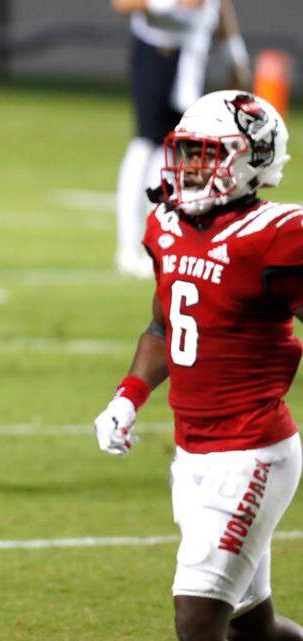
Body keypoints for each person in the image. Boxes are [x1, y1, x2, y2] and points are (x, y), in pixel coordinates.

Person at [93, 91, 301, 641]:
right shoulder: (166, 222)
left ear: (252, 161)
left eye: (207, 154)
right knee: (256, 630)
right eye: (186, 153)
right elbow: (163, 326)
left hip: (252, 450)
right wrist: (128, 395)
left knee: (198, 618)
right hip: (192, 454)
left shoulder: (276, 238)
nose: (189, 168)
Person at [110, 0, 249, 279]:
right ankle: (126, 245)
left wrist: (231, 46)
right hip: (158, 48)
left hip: (194, 52)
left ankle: (163, 241)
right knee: (146, 143)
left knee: (179, 150)